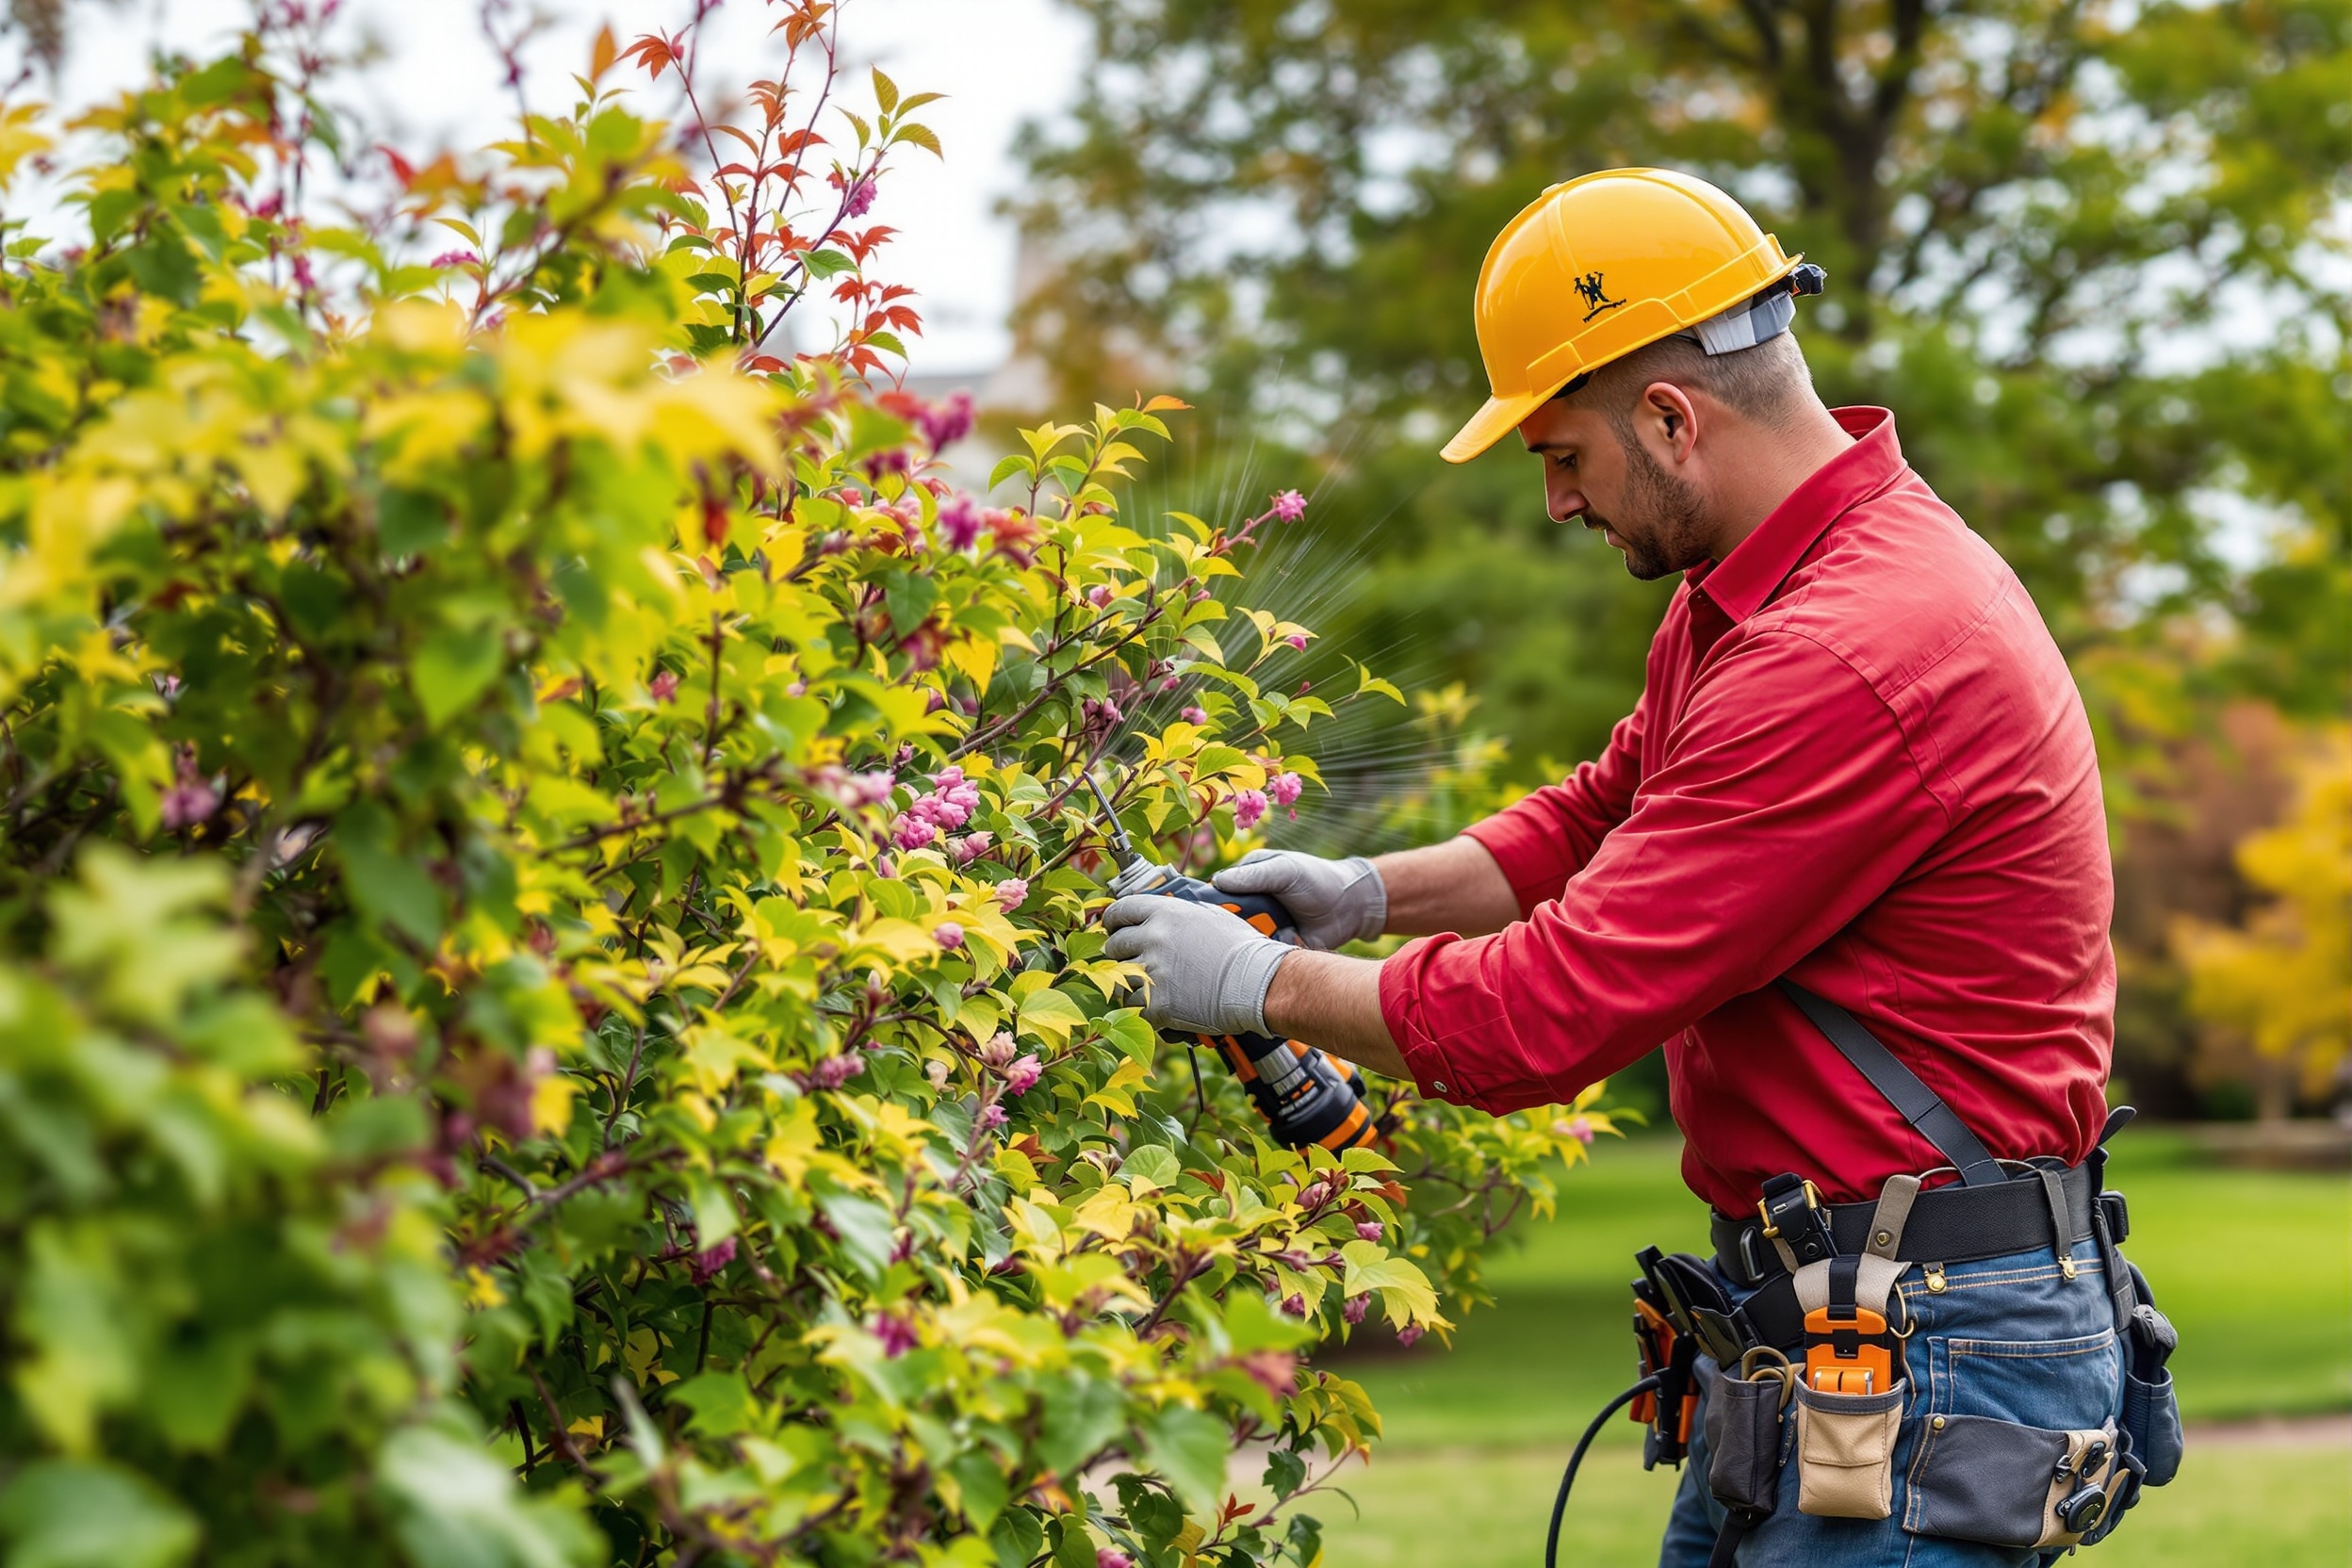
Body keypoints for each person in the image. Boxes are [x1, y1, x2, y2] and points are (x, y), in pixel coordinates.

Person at [1103, 170, 2178, 1566]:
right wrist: (1365, 894)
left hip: (1928, 1353)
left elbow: (1546, 1016)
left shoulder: (1848, 650)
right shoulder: (1759, 592)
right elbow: (1604, 818)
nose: (1556, 501)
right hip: (1836, 1332)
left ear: (1671, 418)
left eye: (1561, 455)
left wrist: (1261, 985)